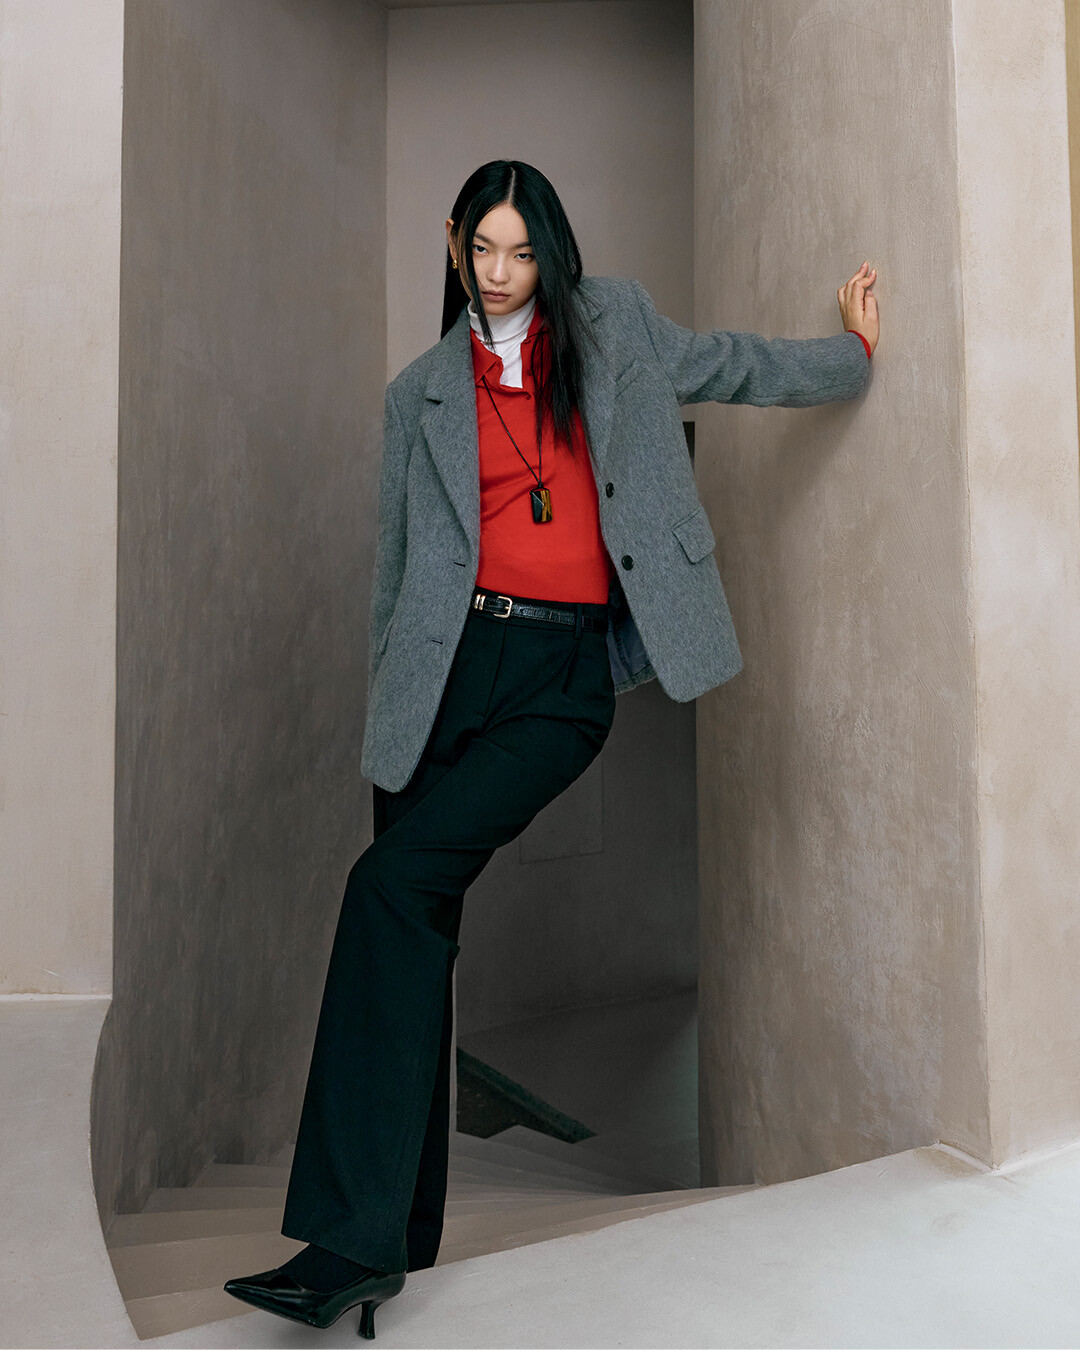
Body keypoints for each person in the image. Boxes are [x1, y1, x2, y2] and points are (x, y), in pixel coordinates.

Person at [223, 159, 879, 1338]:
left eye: (522, 253)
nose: (501, 273)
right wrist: (390, 722)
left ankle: (342, 1241)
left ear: (552, 254)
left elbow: (733, 365)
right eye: (483, 249)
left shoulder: (613, 326)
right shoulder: (419, 394)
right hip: (442, 676)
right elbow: (393, 577)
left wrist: (852, 356)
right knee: (412, 931)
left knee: (385, 891)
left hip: (560, 677)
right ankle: (373, 1245)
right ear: (455, 242)